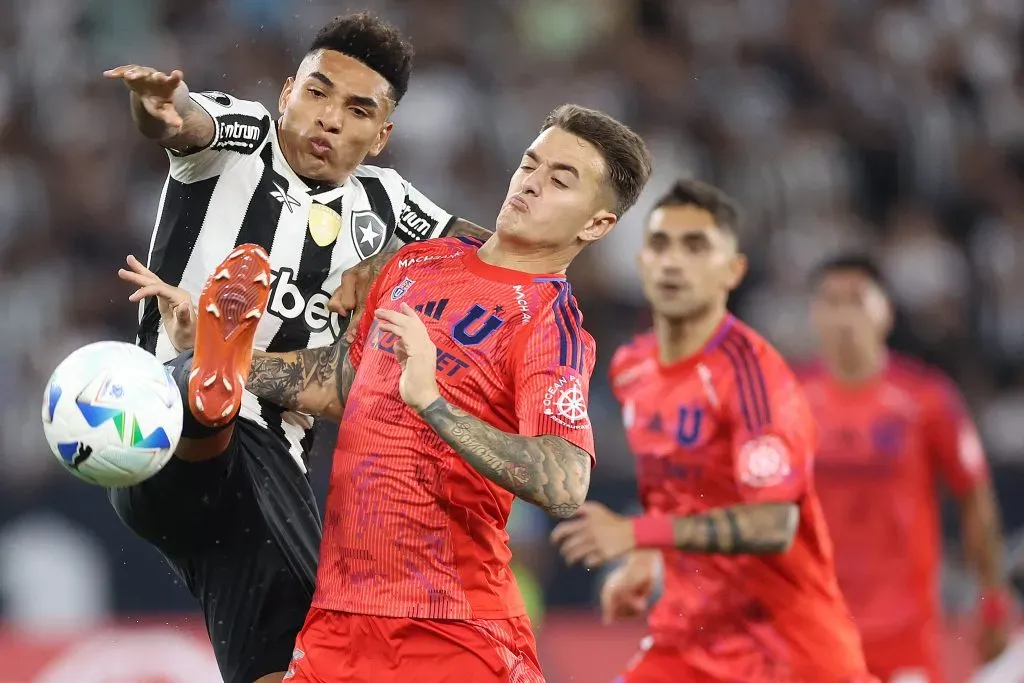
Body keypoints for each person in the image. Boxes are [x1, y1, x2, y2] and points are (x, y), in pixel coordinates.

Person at [192, 104, 650, 682]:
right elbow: (341, 383)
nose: (532, 183)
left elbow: (565, 480)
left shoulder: (549, 327)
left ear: (596, 225)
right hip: (342, 617)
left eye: (561, 181)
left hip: (452, 632)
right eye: (531, 165)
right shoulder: (420, 262)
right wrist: (226, 359)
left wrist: (432, 402)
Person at [108, 13, 488, 683]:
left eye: (357, 109)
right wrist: (160, 110)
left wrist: (404, 269)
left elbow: (494, 263)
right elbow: (186, 122)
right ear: (287, 92)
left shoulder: (388, 201)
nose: (329, 117)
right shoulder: (243, 137)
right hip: (149, 421)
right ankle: (208, 382)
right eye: (317, 92)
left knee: (297, 664)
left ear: (381, 135)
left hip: (259, 486)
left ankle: (215, 374)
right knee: (198, 400)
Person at [550, 179, 874, 683]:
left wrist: (637, 532)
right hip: (690, 638)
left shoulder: (753, 377)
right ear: (641, 265)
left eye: (696, 246)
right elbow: (673, 487)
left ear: (733, 270)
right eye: (660, 244)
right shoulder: (633, 367)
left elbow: (773, 525)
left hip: (787, 652)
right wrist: (642, 561)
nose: (673, 261)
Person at [800, 254, 1010, 683]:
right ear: (814, 314)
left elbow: (975, 501)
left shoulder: (927, 400)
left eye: (857, 300)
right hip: (814, 628)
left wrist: (993, 599)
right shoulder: (787, 400)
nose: (843, 315)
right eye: (831, 301)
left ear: (886, 311)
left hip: (903, 635)